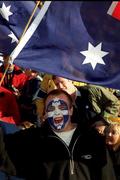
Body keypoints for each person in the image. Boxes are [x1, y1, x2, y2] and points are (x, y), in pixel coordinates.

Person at [5, 89, 116, 180]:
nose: (57, 112)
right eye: (51, 108)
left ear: (71, 110)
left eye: (62, 107)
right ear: (46, 114)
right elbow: (4, 151)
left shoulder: (92, 139)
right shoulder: (33, 138)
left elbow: (107, 175)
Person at [34, 75, 120, 129]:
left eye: (62, 82)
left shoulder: (91, 91)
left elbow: (115, 103)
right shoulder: (59, 104)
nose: (60, 86)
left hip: (104, 139)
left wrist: (104, 120)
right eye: (57, 84)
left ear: (70, 80)